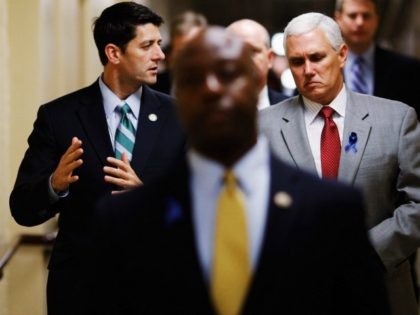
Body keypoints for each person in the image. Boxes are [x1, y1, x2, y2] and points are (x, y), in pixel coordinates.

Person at [91, 26, 389, 315]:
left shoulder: (331, 209)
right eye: (194, 79)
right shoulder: (127, 219)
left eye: (228, 73)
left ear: (256, 83)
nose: (211, 88)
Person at [9, 2, 185, 314]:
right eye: (147, 46)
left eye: (158, 44)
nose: (159, 55)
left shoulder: (178, 117)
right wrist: (54, 185)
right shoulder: (58, 116)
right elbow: (21, 207)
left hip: (154, 287)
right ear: (114, 53)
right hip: (79, 290)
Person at [259, 12, 420, 315]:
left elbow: (417, 203)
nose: (308, 70)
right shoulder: (261, 127)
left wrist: (361, 251)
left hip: (380, 288)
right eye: (297, 61)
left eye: (317, 57)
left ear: (342, 54)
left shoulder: (396, 119)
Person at [334, 0, 420, 117]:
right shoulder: (323, 67)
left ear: (376, 20)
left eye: (366, 16)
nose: (360, 22)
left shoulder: (409, 70)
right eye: (352, 16)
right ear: (338, 18)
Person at [227, 19, 288, 109]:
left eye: (253, 51)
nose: (245, 59)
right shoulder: (208, 111)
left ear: (270, 58)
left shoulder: (294, 109)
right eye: (237, 51)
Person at [152, 10, 208, 94]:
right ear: (172, 51)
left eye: (194, 50)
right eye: (182, 51)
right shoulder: (154, 86)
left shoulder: (216, 86)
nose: (190, 58)